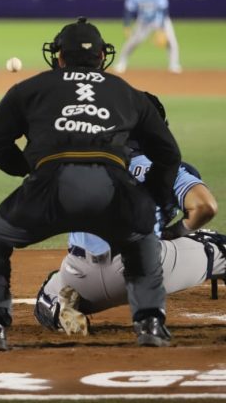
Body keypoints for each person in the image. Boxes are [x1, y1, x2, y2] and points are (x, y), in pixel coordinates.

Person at [0, 17, 181, 351]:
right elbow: (168, 153)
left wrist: (29, 169)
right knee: (141, 237)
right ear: (102, 57)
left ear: (59, 57)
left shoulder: (30, 88)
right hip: (113, 187)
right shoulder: (127, 92)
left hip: (50, 186)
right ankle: (150, 323)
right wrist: (151, 197)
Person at [34, 105, 224, 335]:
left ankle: (57, 311)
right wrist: (176, 231)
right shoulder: (167, 168)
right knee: (216, 243)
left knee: (49, 292)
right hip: (143, 270)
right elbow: (205, 207)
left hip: (81, 275)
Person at [115, 0, 182, 74]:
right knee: (132, 42)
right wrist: (127, 25)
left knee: (171, 41)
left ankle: (174, 64)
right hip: (143, 22)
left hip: (160, 19)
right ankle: (121, 63)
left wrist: (161, 29)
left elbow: (164, 10)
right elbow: (128, 10)